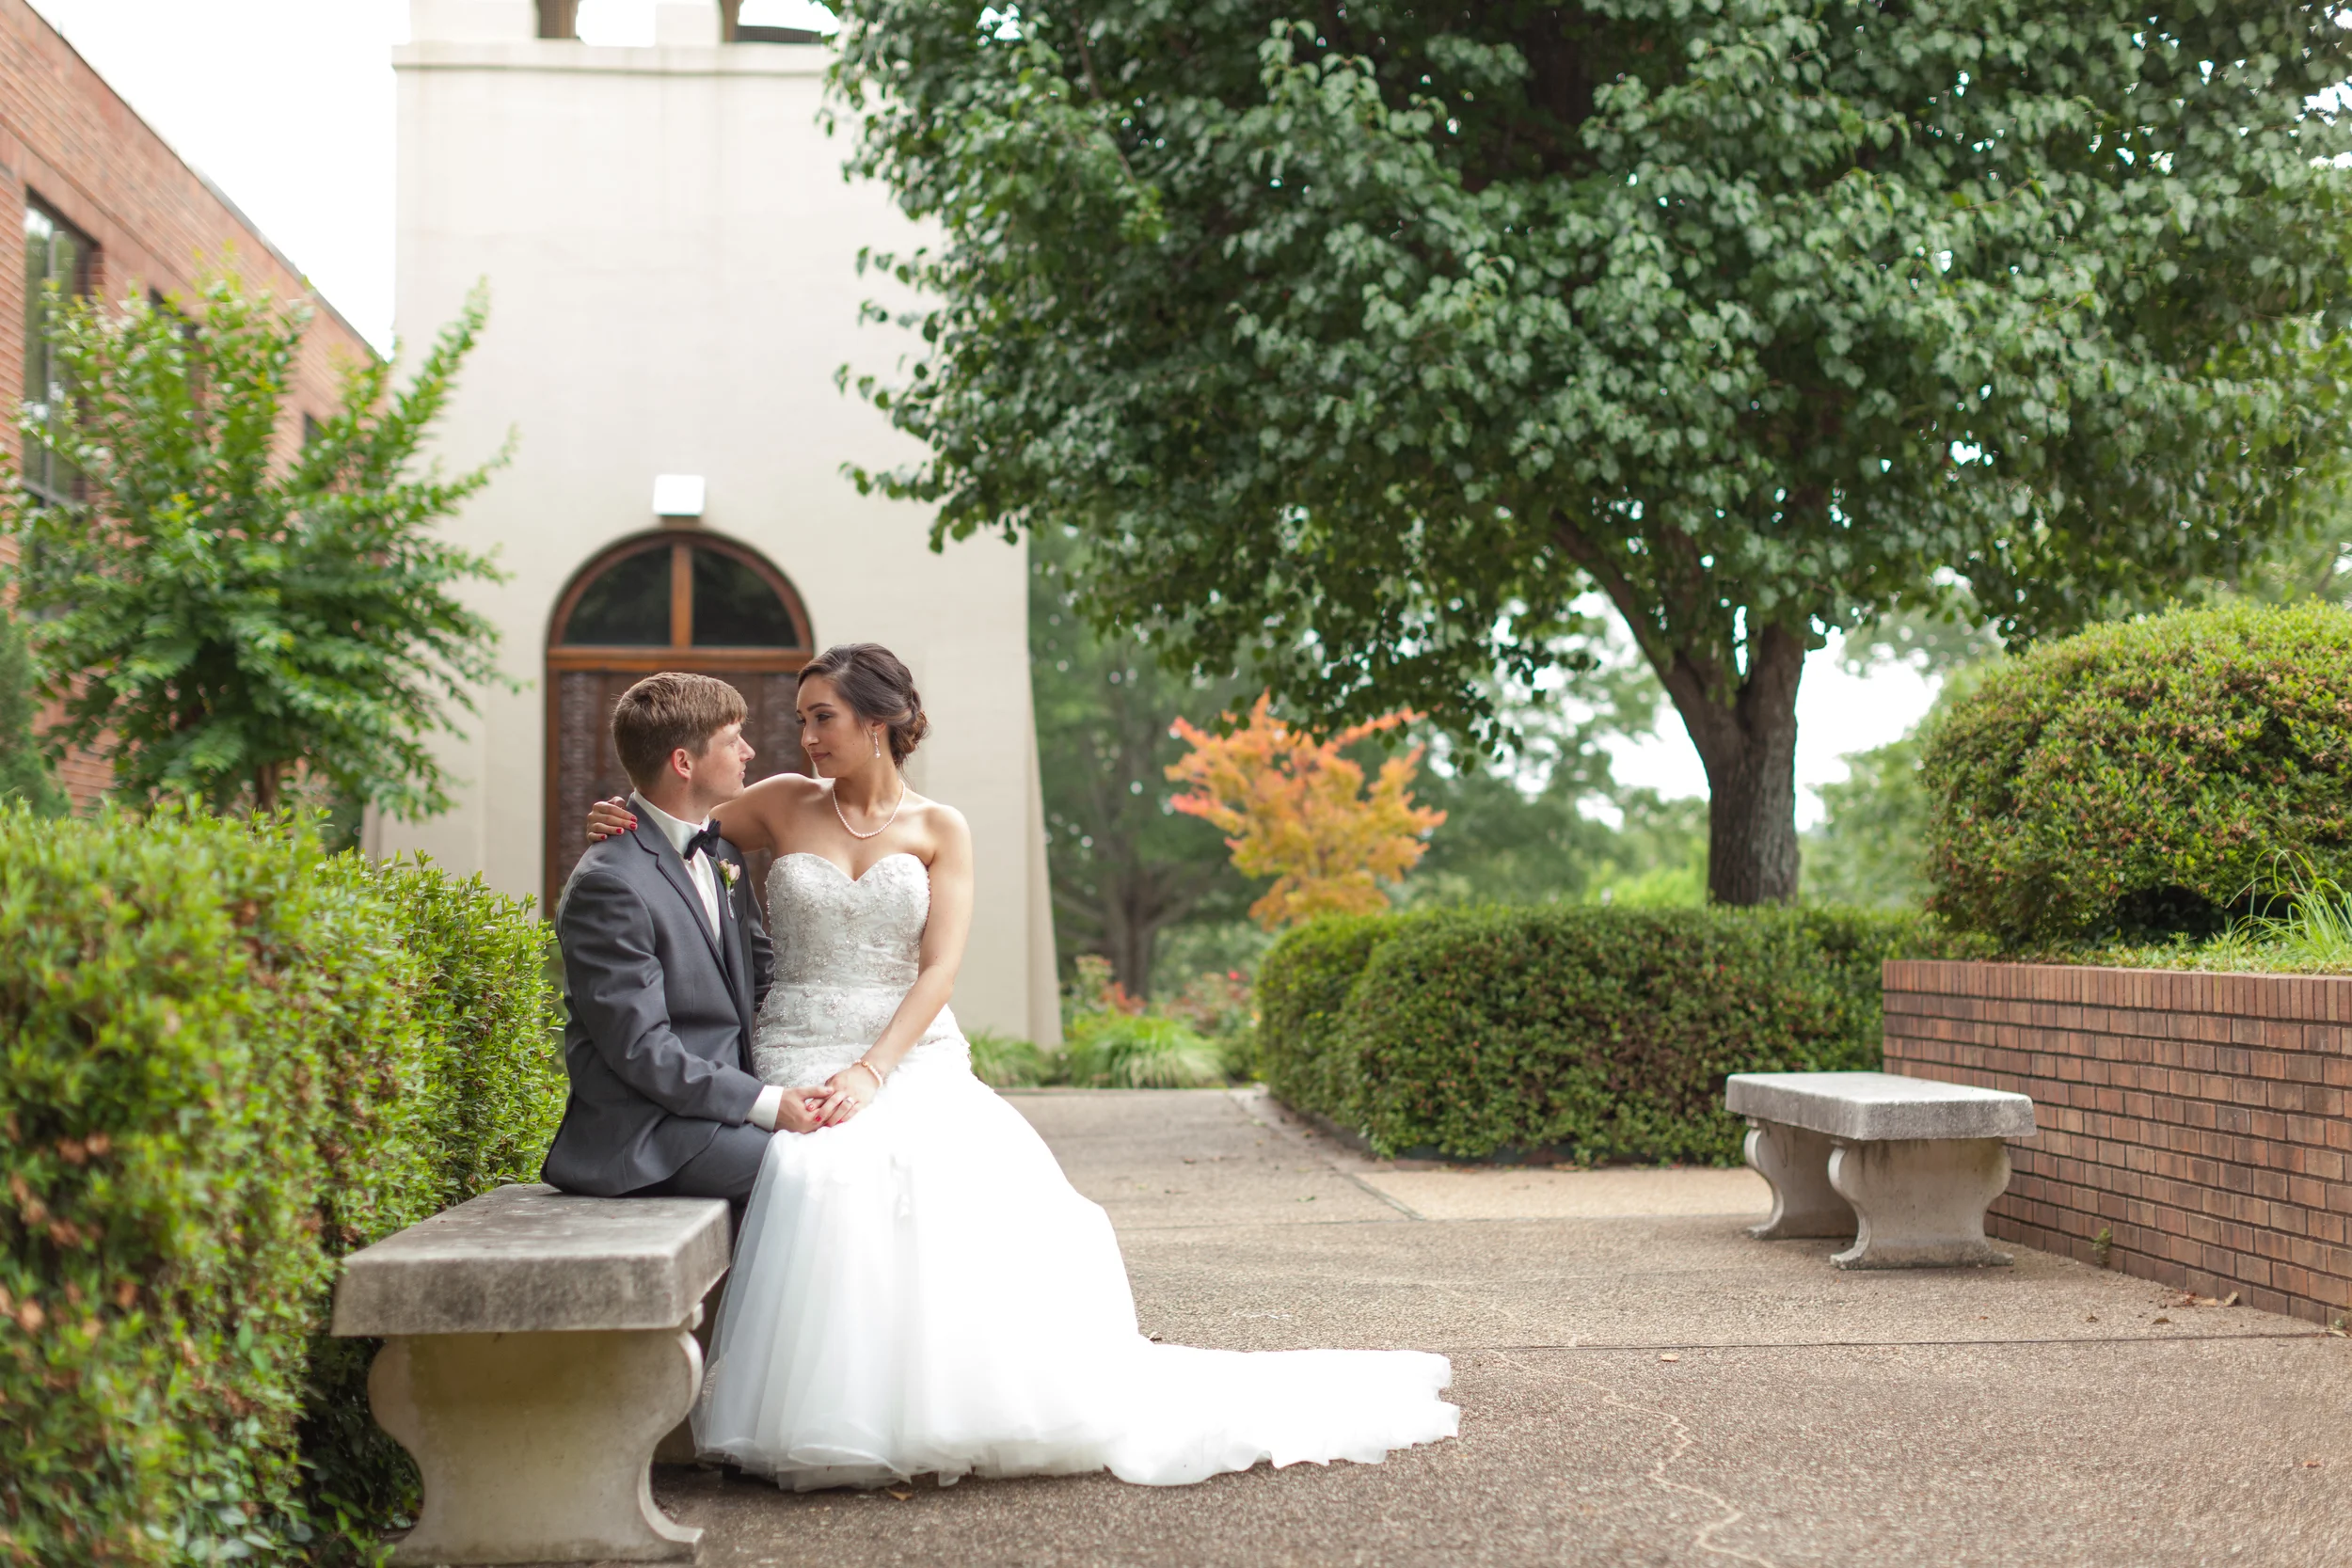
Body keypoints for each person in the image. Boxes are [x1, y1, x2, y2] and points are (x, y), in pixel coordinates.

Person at [582, 642, 1457, 1490]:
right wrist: (616, 813)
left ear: (878, 722)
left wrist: (874, 1070)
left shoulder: (940, 827)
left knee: (954, 1173)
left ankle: (962, 1398)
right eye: (802, 719)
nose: (804, 736)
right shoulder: (777, 801)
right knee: (831, 1174)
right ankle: (836, 1405)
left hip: (903, 1049)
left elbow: (938, 969)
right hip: (797, 1044)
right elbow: (676, 822)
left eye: (823, 718)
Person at [542, 672, 830, 1206]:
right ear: (683, 762)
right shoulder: (610, 883)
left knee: (862, 1148)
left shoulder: (720, 853)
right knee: (822, 1176)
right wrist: (768, 1103)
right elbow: (640, 1049)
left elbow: (765, 981)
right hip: (652, 1134)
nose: (748, 751)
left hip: (720, 1110)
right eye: (732, 739)